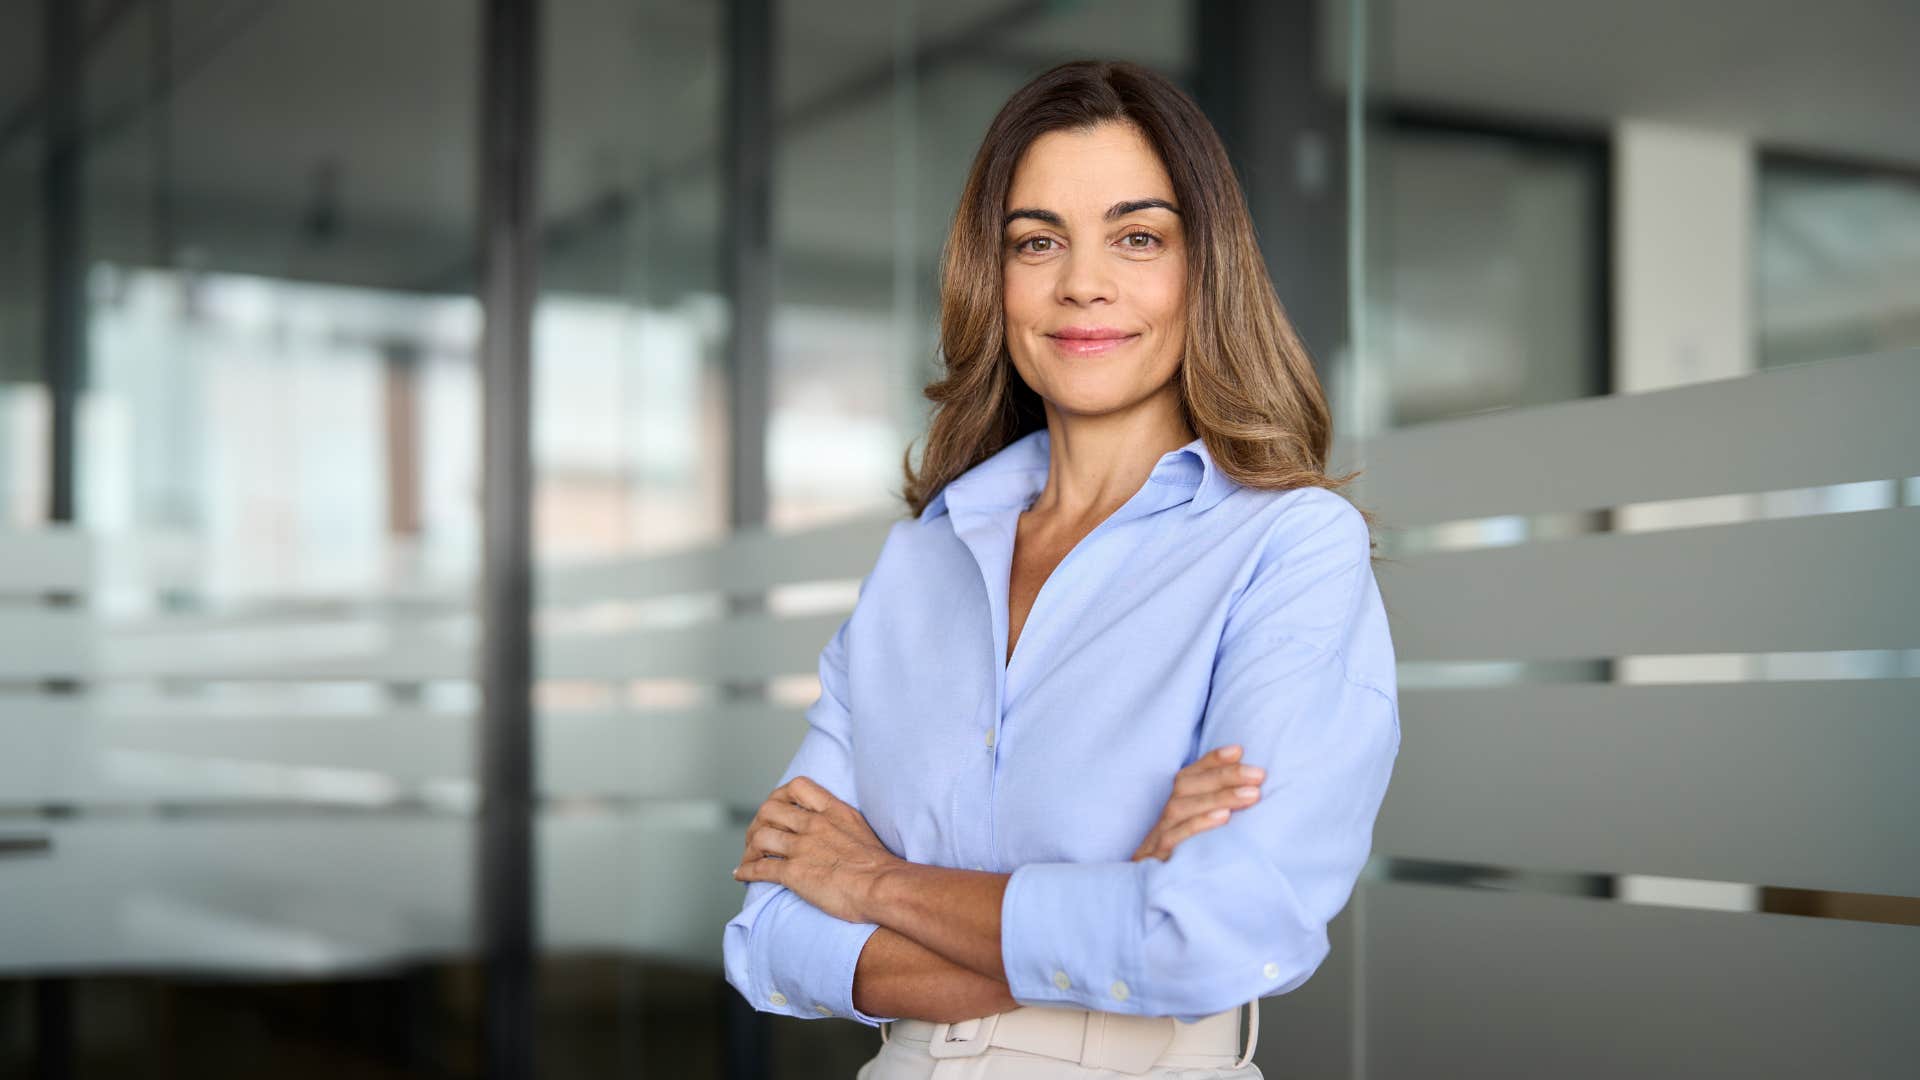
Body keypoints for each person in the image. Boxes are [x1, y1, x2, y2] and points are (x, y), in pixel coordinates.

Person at [722, 59, 1399, 1078]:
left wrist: (874, 885)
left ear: (1205, 269)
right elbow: (771, 934)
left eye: (1138, 237)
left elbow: (1210, 934)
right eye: (1037, 242)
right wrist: (1110, 901)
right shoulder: (921, 561)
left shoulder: (1289, 548)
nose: (1083, 283)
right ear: (991, 279)